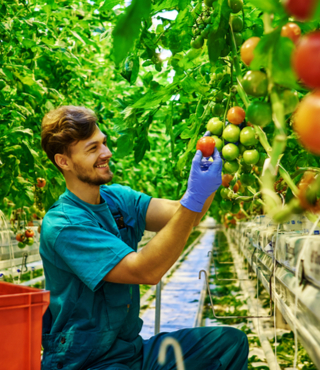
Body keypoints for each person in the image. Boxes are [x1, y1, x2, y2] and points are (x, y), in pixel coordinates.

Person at [40, 105, 248, 370]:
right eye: (92, 149)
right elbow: (144, 271)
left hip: (130, 352)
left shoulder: (117, 198)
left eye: (103, 143)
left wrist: (209, 177)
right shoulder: (63, 224)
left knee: (229, 343)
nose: (106, 153)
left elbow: (184, 215)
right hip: (85, 362)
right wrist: (196, 196)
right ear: (64, 161)